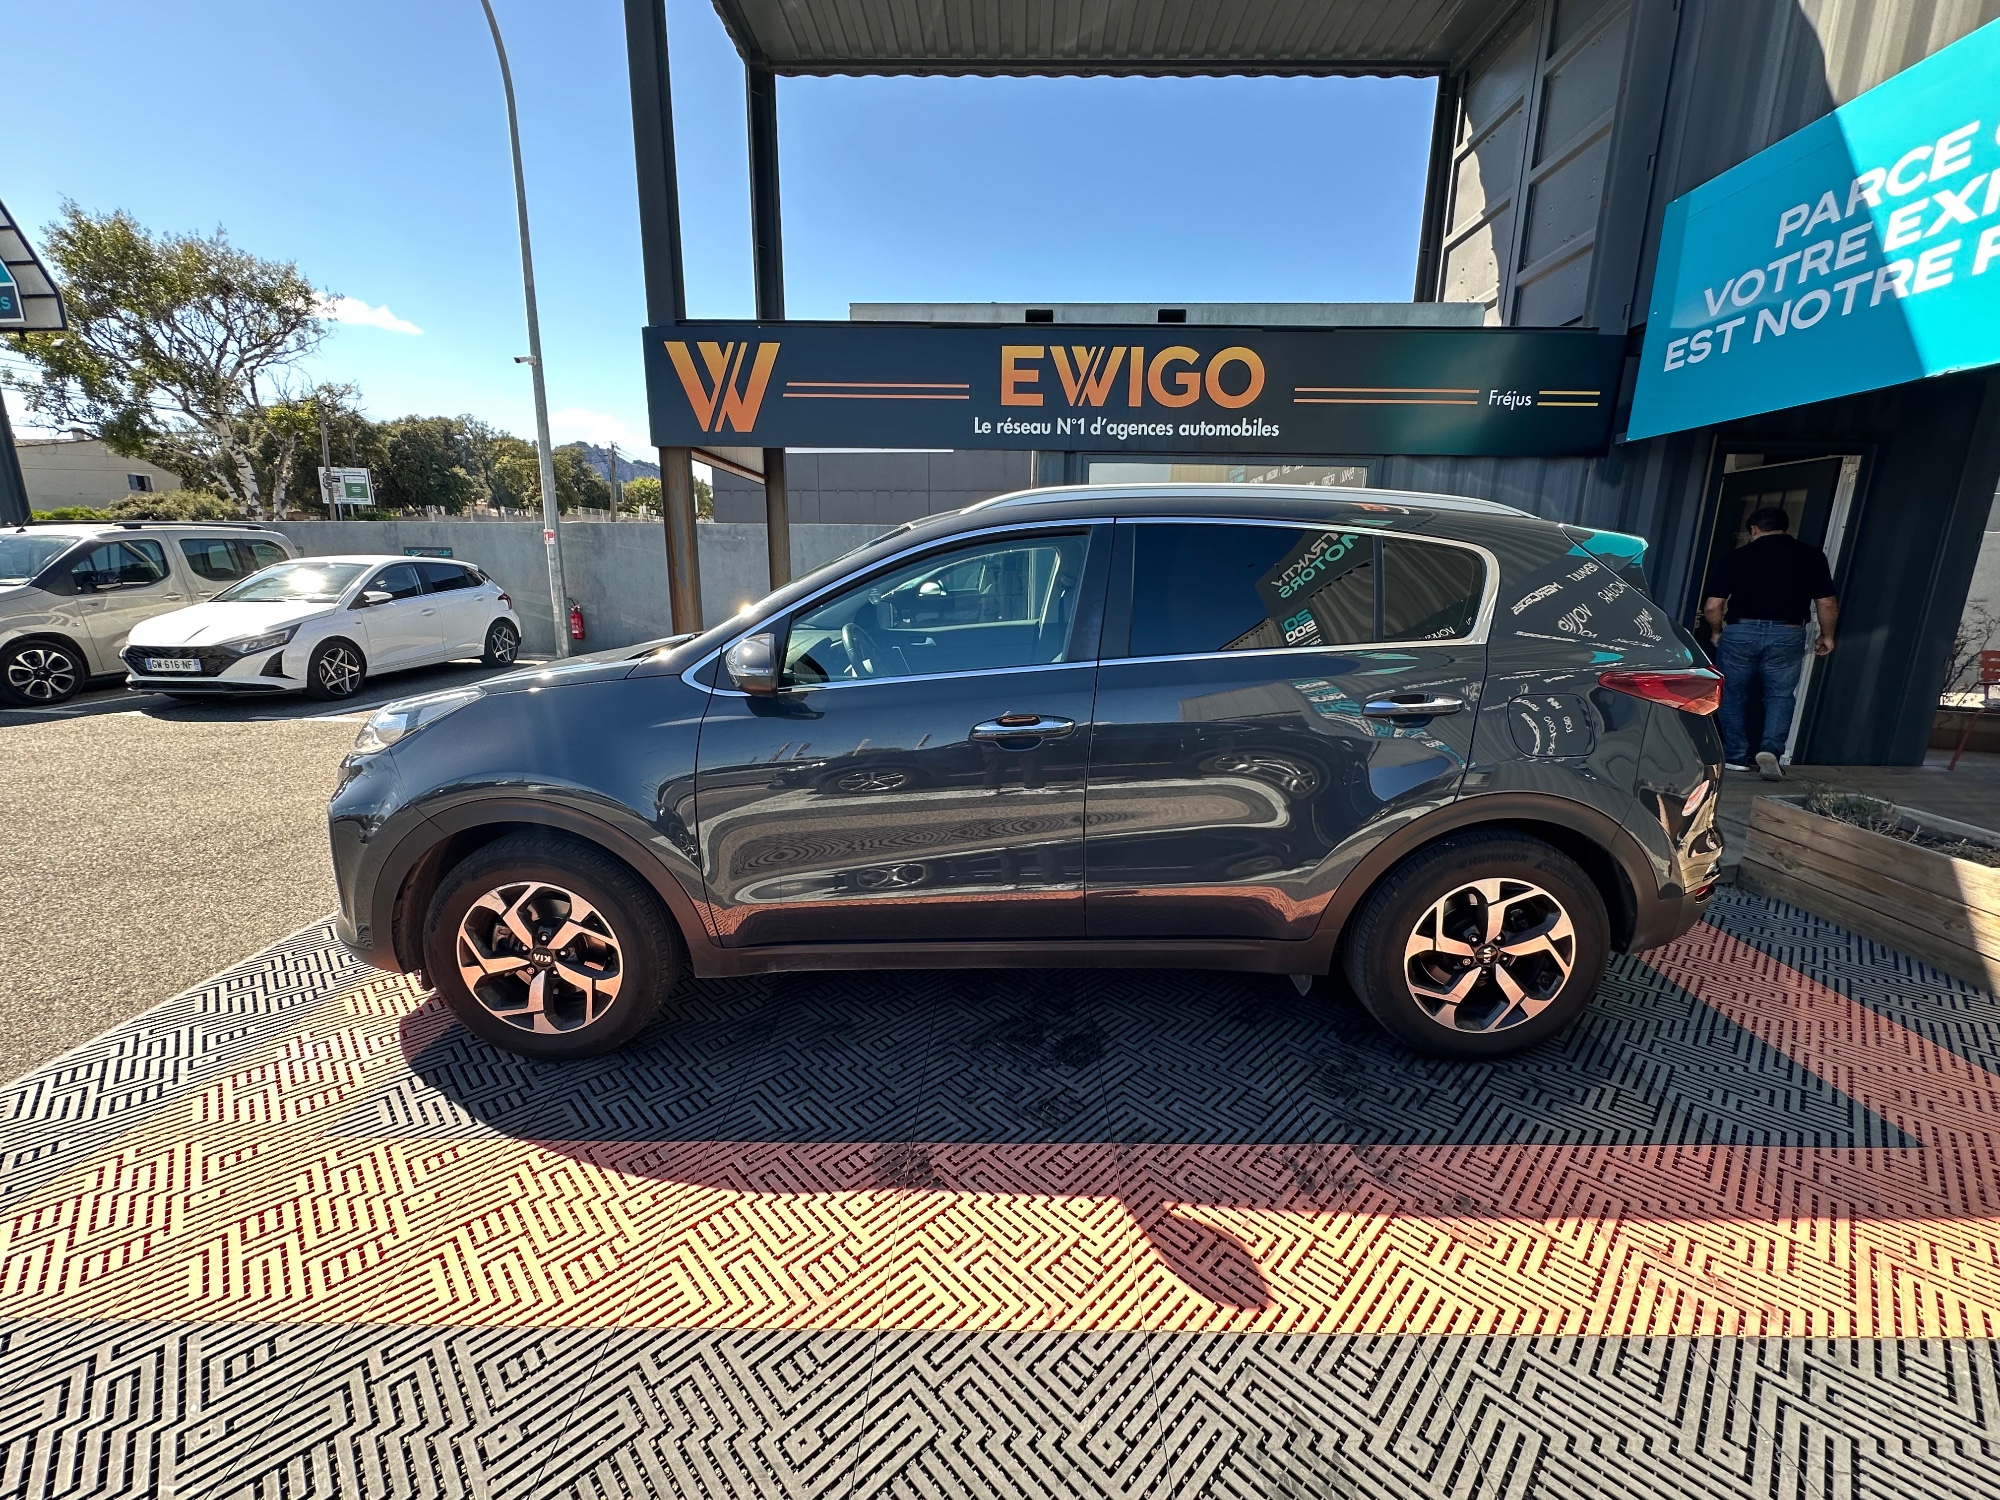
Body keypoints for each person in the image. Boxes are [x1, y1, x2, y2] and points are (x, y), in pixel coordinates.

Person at [1702, 506, 1838, 779]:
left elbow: (1712, 606)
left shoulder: (1737, 557)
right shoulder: (1811, 556)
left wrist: (1716, 632)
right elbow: (1827, 602)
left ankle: (1736, 755)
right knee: (1780, 695)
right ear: (1784, 528)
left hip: (1740, 632)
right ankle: (1771, 750)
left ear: (1754, 529)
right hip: (1787, 633)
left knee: (1732, 694)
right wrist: (1827, 635)